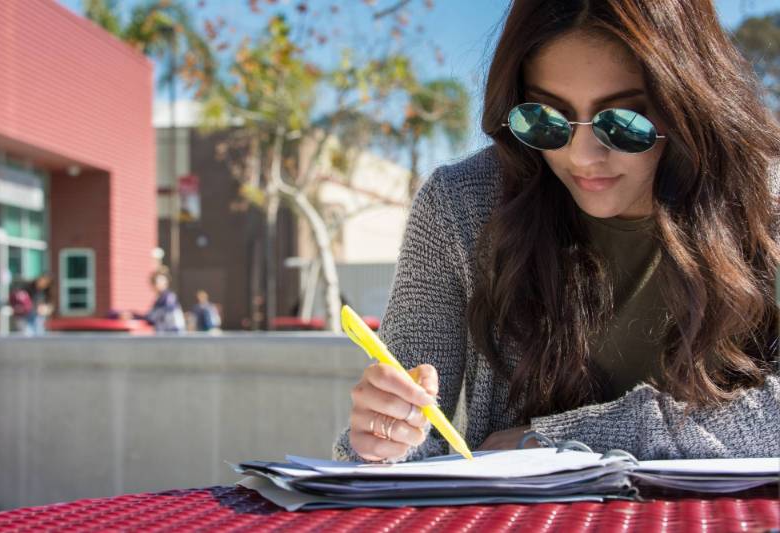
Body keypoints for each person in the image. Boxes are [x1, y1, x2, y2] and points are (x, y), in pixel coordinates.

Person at [334, 0, 780, 464]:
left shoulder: (767, 205)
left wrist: (558, 439)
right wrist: (382, 439)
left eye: (623, 123)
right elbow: (406, 445)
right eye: (546, 120)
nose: (583, 156)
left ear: (689, 103)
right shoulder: (460, 207)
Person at [146, 268, 186, 333]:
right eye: (153, 282)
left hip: (173, 333)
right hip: (164, 334)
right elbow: (150, 317)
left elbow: (153, 317)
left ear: (165, 282)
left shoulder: (169, 296)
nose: (155, 285)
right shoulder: (158, 300)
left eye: (156, 282)